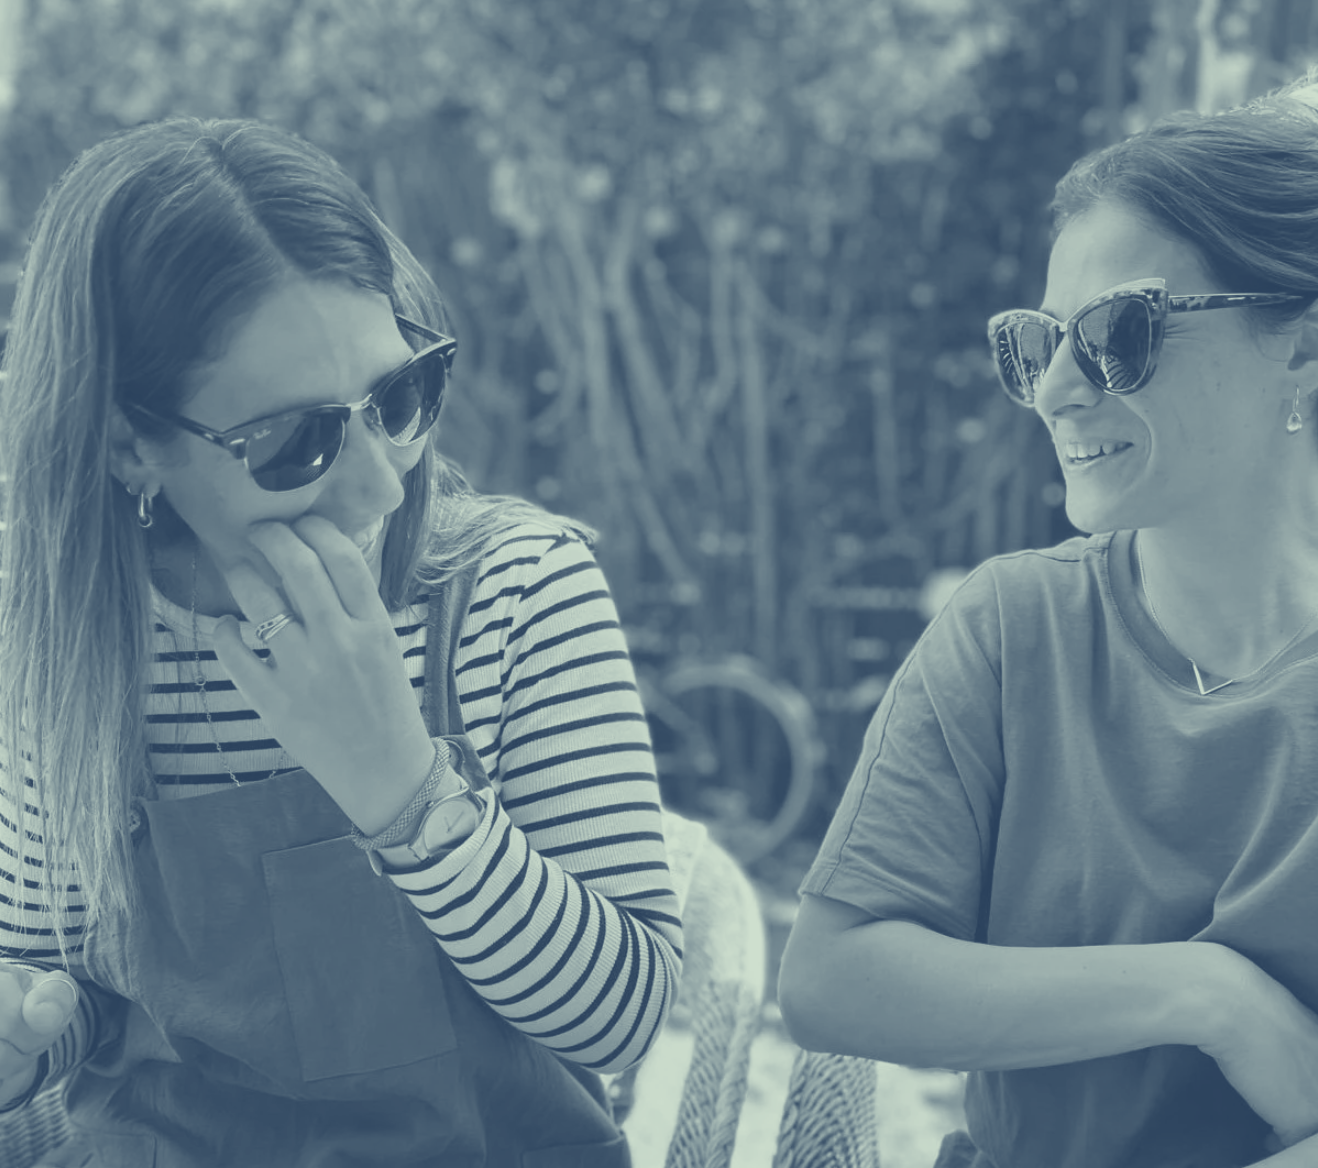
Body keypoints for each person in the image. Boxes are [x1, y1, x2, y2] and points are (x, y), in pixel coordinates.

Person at [0, 116, 682, 1166]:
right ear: (129, 446)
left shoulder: (512, 590)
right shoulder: (55, 639)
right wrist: (30, 1032)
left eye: (399, 396)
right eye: (295, 440)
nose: (381, 480)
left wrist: (403, 792)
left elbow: (622, 1017)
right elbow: (66, 989)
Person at [778, 72, 1318, 1168]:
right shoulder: (1013, 627)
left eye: (1122, 331)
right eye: (1038, 342)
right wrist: (1201, 992)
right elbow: (834, 976)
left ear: (1302, 350)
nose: (1057, 390)